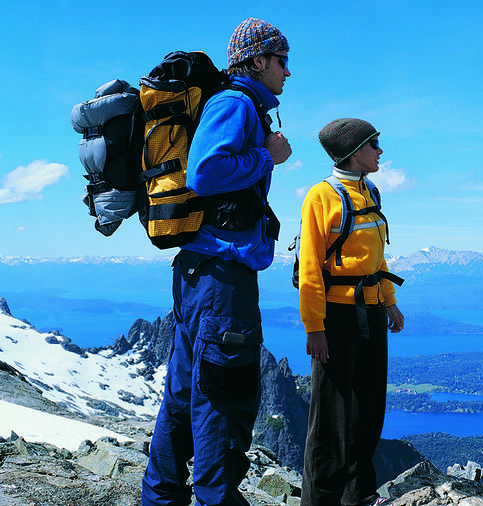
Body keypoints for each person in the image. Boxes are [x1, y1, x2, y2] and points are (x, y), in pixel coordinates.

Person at [142, 17, 292, 506]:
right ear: (258, 61)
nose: (288, 73)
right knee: (224, 396)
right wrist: (267, 157)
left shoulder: (236, 105)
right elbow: (206, 173)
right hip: (222, 278)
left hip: (200, 273)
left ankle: (160, 497)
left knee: (185, 394)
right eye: (282, 61)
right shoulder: (234, 103)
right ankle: (216, 498)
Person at [298, 118, 404, 506]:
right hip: (337, 318)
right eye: (374, 144)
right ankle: (320, 500)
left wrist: (389, 301)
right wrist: (315, 327)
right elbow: (309, 266)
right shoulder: (320, 197)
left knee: (369, 407)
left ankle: (359, 495)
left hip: (372, 312)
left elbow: (376, 256)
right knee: (331, 417)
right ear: (353, 152)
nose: (379, 151)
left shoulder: (370, 191)